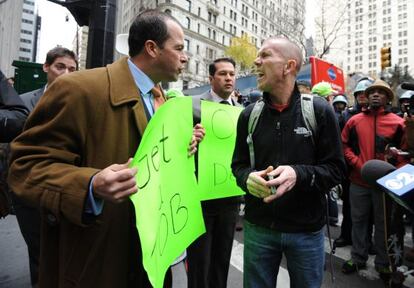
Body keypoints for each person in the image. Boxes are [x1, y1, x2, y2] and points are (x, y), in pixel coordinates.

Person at [8, 9, 197, 288]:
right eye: (179, 48)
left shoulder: (164, 100)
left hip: (154, 257)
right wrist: (91, 185)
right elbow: (25, 167)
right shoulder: (78, 89)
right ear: (152, 48)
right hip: (99, 263)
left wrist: (184, 147)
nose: (185, 57)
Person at [231, 36, 346, 288]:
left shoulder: (319, 111)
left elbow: (336, 170)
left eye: (265, 55)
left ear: (289, 66)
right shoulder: (249, 115)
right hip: (258, 228)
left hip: (307, 233)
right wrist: (246, 180)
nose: (256, 61)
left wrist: (298, 174)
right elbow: (237, 166)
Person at [10, 47, 78, 287]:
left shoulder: (80, 102)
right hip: (31, 192)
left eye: (72, 69)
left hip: (66, 189)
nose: (66, 74)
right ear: (46, 67)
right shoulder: (25, 102)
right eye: (61, 67)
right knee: (39, 252)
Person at [341, 79, 406, 277]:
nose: (375, 94)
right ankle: (358, 258)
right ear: (366, 97)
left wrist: (394, 173)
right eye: (372, 92)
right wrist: (360, 165)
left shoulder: (399, 123)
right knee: (358, 222)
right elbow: (344, 146)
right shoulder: (354, 121)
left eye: (381, 92)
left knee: (383, 224)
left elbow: (406, 154)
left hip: (385, 186)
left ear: (388, 98)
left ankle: (383, 262)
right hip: (358, 181)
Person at [187, 57, 241, 288]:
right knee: (199, 261)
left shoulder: (242, 112)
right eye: (223, 74)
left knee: (222, 259)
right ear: (211, 78)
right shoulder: (192, 105)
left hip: (229, 197)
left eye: (231, 73)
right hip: (199, 197)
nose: (228, 78)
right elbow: (177, 146)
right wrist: (189, 139)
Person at [334, 77, 374, 249]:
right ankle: (346, 235)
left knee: (371, 209)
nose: (363, 97)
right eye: (360, 94)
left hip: (372, 169)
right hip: (350, 169)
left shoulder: (376, 115)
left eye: (366, 94)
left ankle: (368, 240)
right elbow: (340, 142)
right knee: (350, 206)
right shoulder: (346, 115)